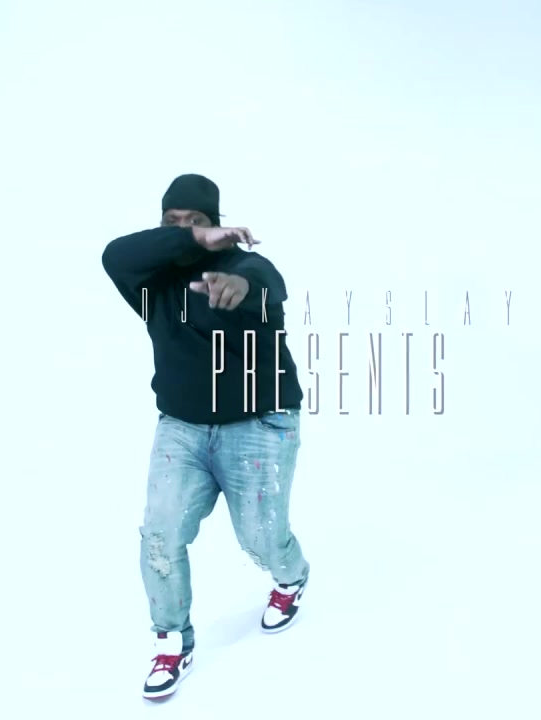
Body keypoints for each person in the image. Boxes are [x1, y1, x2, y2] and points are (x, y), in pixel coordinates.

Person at [101, 174, 311, 701]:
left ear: (217, 223)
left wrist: (239, 288)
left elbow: (266, 283)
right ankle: (172, 641)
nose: (183, 230)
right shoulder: (150, 282)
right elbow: (113, 254)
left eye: (196, 220)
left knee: (262, 540)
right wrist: (189, 238)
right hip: (182, 428)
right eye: (172, 223)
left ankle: (291, 577)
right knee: (160, 535)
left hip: (259, 424)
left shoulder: (244, 267)